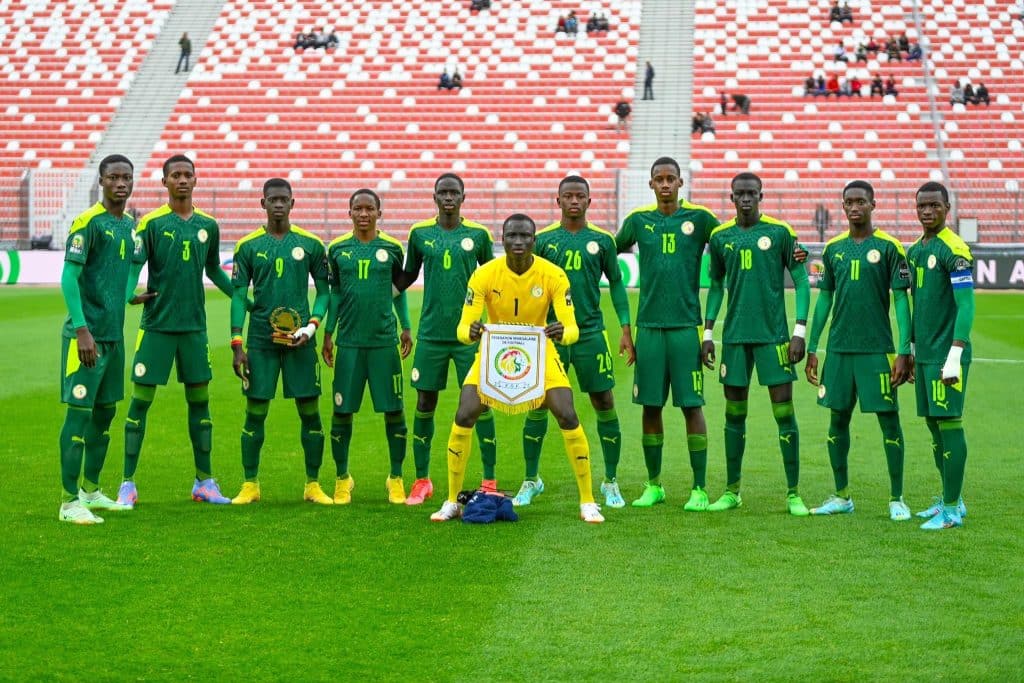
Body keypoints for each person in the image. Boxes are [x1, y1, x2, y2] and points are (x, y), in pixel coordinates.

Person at [429, 214, 605, 524]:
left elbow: (572, 327)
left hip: (540, 352)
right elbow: (462, 326)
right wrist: (468, 331)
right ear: (503, 240)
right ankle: (452, 500)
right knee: (465, 412)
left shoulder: (553, 275)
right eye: (512, 236)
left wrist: (563, 332)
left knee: (567, 413)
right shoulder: (484, 275)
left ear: (534, 241)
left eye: (525, 236)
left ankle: (588, 500)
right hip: (495, 352)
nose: (519, 242)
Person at [116, 154, 237, 508]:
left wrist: (243, 297)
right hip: (157, 326)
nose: (182, 180)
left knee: (200, 404)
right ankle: (127, 483)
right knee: (140, 404)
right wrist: (128, 296)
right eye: (176, 175)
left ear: (196, 180)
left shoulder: (208, 225)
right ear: (164, 181)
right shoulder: (151, 224)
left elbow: (214, 269)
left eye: (188, 175)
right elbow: (135, 264)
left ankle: (205, 482)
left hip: (194, 329)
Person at [514, 176, 634, 509]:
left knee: (603, 401)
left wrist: (625, 328)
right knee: (537, 402)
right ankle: (531, 479)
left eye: (580, 196)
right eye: (568, 196)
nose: (574, 202)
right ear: (558, 201)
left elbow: (618, 284)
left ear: (589, 201)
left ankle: (610, 481)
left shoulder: (603, 241)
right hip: (550, 336)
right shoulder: (545, 240)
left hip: (591, 333)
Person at [701, 173, 812, 517]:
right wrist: (707, 333)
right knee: (734, 415)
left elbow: (803, 281)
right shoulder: (720, 237)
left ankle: (794, 493)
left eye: (751, 193)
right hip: (734, 338)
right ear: (731, 197)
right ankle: (732, 490)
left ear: (761, 195)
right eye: (740, 194)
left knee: (784, 414)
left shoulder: (780, 232)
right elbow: (716, 286)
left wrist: (800, 331)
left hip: (774, 337)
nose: (746, 199)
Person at [804, 180, 913, 521]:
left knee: (889, 421)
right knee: (837, 419)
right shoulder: (834, 248)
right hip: (839, 350)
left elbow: (901, 301)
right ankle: (841, 496)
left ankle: (897, 498)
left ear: (873, 204)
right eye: (848, 202)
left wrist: (903, 350)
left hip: (876, 350)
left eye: (860, 201)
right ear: (843, 206)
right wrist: (812, 346)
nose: (854, 207)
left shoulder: (891, 247)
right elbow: (824, 299)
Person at [615, 158, 719, 510]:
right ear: (650, 184)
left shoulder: (700, 219)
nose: (664, 185)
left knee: (692, 406)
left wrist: (792, 248)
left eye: (670, 179)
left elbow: (731, 243)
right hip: (649, 329)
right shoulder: (638, 222)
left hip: (685, 329)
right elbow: (606, 251)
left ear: (680, 182)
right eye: (658, 179)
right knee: (650, 406)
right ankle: (654, 484)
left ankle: (700, 488)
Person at [392, 174, 495, 506]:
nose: (448, 197)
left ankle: (489, 480)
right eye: (443, 192)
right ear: (434, 196)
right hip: (432, 335)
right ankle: (422, 481)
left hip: (469, 335)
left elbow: (493, 282)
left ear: (464, 196)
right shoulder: (420, 234)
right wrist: (382, 290)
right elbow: (407, 276)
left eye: (454, 192)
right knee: (425, 404)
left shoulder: (479, 236)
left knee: (481, 404)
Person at [229, 178, 332, 505]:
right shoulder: (247, 246)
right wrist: (236, 343)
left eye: (283, 199)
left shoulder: (312, 244)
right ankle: (250, 484)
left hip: (300, 342)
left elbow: (326, 292)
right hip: (260, 342)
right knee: (255, 412)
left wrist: (312, 327)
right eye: (271, 199)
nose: (277, 204)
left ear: (292, 203)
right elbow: (237, 295)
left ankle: (313, 484)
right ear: (262, 203)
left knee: (310, 413)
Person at [57, 154, 138, 524]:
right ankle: (68, 501)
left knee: (105, 414)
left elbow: (113, 277)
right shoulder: (87, 222)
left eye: (127, 178)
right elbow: (69, 279)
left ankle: (91, 491)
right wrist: (82, 330)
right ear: (101, 181)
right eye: (114, 178)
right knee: (78, 416)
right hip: (85, 338)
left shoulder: (127, 225)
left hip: (113, 339)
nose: (121, 184)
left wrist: (129, 297)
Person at [321, 189, 413, 505]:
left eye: (369, 208)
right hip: (348, 342)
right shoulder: (337, 250)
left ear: (379, 212)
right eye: (357, 208)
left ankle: (396, 477)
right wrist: (328, 333)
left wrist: (406, 327)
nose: (363, 214)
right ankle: (343, 477)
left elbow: (398, 292)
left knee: (394, 410)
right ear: (349, 213)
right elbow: (333, 295)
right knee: (342, 411)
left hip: (383, 342)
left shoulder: (391, 248)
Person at [907, 182, 974, 530]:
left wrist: (955, 354)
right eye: (922, 206)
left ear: (948, 208)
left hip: (948, 354)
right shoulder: (916, 250)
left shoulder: (955, 248)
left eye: (934, 205)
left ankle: (950, 510)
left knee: (950, 424)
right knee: (934, 425)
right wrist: (915, 350)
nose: (927, 211)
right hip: (927, 353)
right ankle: (953, 498)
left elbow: (966, 305)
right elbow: (918, 305)